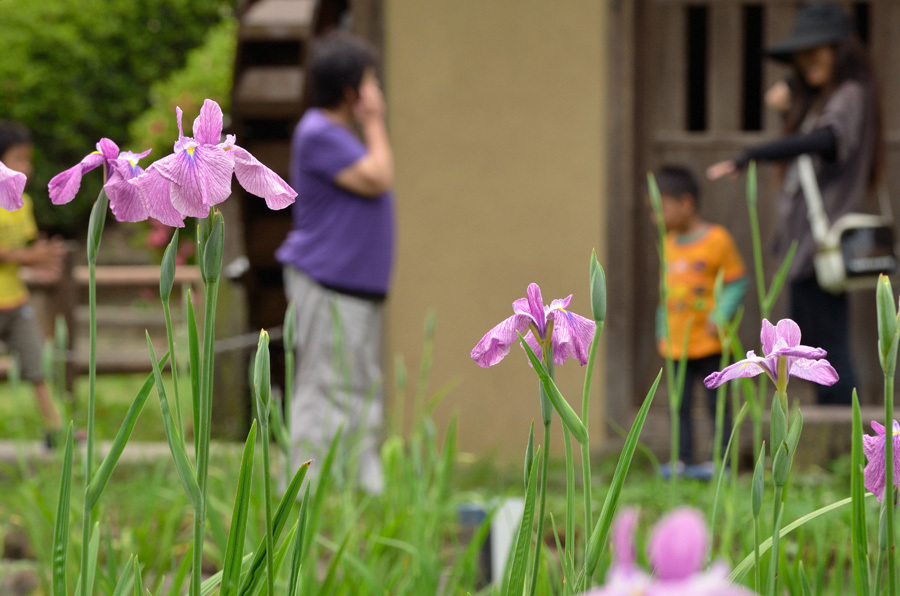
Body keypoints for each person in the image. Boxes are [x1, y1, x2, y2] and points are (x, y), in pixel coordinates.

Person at [707, 3, 878, 406]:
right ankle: (837, 445)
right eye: (801, 58)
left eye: (816, 53)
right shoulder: (825, 98)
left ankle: (841, 443)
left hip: (821, 249)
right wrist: (797, 90)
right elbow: (792, 110)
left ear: (842, 51)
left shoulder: (851, 95)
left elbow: (827, 141)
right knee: (819, 343)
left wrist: (754, 154)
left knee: (827, 348)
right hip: (806, 251)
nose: (807, 63)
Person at [275, 31, 394, 494]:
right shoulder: (319, 131)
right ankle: (299, 495)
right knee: (323, 387)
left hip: (350, 286)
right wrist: (377, 122)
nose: (376, 91)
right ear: (352, 91)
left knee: (357, 387)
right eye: (370, 81)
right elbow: (378, 178)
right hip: (328, 283)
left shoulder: (332, 134)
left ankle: (357, 491)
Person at [652, 166, 748, 478]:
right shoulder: (667, 243)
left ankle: (721, 462)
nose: (656, 217)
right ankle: (683, 460)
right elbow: (664, 293)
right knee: (679, 405)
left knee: (716, 403)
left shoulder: (717, 240)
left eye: (661, 207)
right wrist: (661, 329)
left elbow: (737, 281)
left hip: (710, 342)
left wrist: (719, 316)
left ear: (686, 203)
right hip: (677, 343)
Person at [0, 121, 67, 447]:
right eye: (19, 158)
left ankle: (55, 430)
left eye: (28, 158)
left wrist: (41, 263)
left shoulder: (23, 202)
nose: (27, 166)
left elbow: (26, 251)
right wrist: (31, 259)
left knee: (37, 363)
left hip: (15, 300)